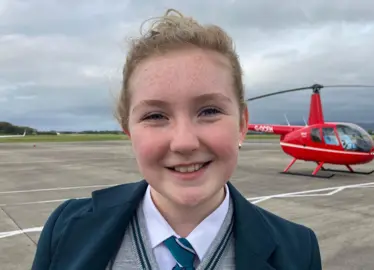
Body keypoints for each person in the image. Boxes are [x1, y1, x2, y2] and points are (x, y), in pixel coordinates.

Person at [31, 8, 322, 270]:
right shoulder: (65, 228)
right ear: (129, 130)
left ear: (242, 125)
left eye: (209, 111)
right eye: (155, 116)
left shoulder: (297, 251)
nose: (184, 142)